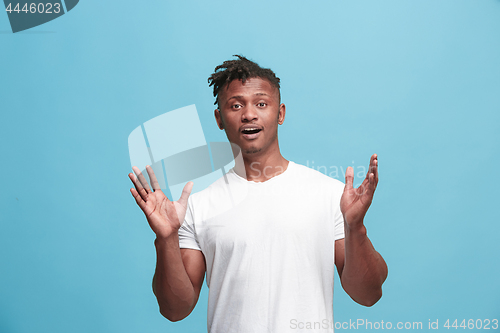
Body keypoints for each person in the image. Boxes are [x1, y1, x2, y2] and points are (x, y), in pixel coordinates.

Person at [128, 55, 388, 333]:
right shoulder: (198, 206)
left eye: (261, 103)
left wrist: (355, 227)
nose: (249, 114)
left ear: (281, 113)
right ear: (219, 118)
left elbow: (368, 294)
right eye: (236, 105)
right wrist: (165, 238)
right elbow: (175, 310)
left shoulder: (329, 195)